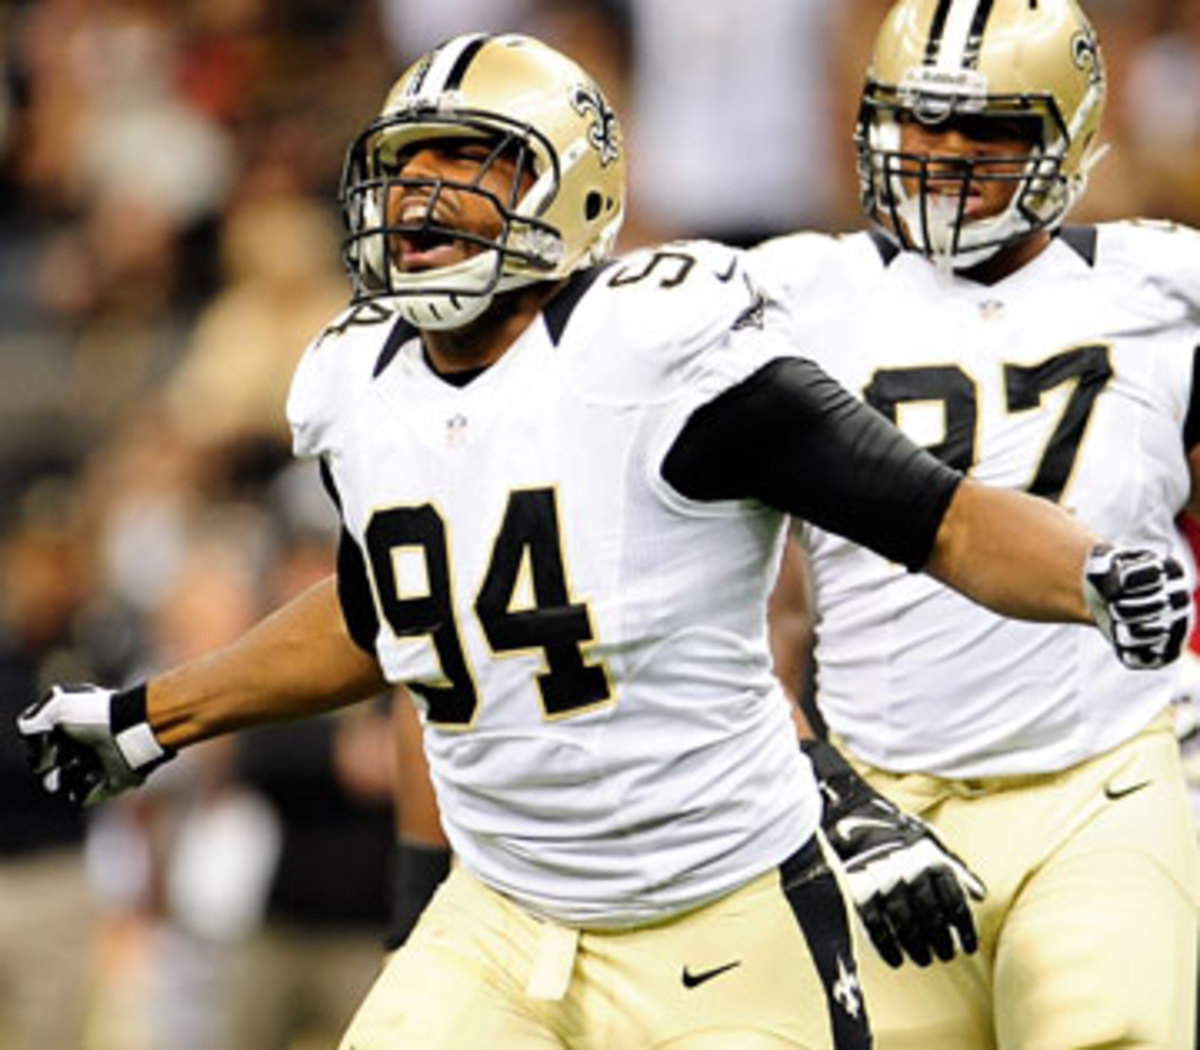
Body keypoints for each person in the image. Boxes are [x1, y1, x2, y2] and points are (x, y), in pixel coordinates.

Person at [14, 32, 1190, 1049]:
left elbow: (943, 518)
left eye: (470, 163)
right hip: (506, 912)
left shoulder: (671, 358)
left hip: (722, 913)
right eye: (403, 167)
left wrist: (1090, 578)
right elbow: (389, 611)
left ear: (568, 192)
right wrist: (151, 716)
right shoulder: (355, 382)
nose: (421, 198)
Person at [750, 0, 1200, 1046]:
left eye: (990, 129)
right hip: (878, 798)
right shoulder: (784, 296)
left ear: (1070, 136)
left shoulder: (1163, 287)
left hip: (1106, 780)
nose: (946, 155)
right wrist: (817, 782)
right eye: (923, 121)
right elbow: (732, 602)